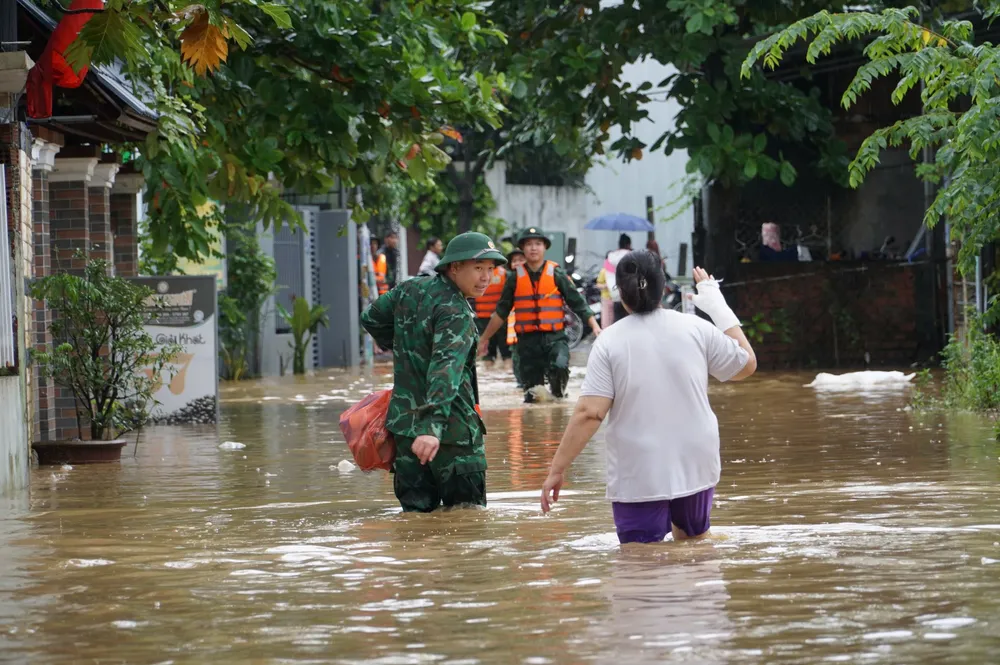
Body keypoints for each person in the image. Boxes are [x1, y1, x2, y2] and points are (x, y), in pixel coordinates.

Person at [539, 251, 757, 544]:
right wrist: (718, 307)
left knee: (639, 557)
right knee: (695, 545)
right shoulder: (696, 328)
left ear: (620, 292)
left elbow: (590, 413)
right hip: (695, 459)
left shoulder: (609, 341)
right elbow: (747, 365)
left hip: (639, 469)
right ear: (663, 287)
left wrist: (557, 469)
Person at [360, 232, 507, 512]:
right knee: (467, 523)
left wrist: (404, 347)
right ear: (454, 267)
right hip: (451, 436)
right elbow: (445, 370)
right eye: (478, 268)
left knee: (415, 524)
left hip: (405, 432)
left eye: (490, 269)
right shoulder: (456, 312)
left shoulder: (409, 289)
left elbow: (371, 318)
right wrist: (432, 428)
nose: (486, 277)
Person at [478, 228, 601, 403]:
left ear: (545, 247)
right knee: (533, 396)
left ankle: (559, 401)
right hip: (527, 343)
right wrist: (484, 338)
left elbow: (578, 303)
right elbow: (501, 312)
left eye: (538, 244)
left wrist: (595, 326)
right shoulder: (514, 278)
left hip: (555, 338)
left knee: (559, 367)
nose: (533, 248)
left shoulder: (557, 274)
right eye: (529, 244)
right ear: (523, 248)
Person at [473, 245, 513, 368]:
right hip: (487, 317)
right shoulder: (505, 274)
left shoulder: (504, 274)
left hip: (496, 317)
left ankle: (501, 371)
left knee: (497, 352)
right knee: (495, 352)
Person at [505, 248, 526, 387]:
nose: (517, 263)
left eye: (521, 260)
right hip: (514, 330)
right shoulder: (509, 281)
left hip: (531, 329)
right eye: (514, 261)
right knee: (517, 358)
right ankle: (521, 383)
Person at [604, 233, 632, 322]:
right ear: (628, 244)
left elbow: (607, 274)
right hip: (628, 296)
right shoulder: (631, 255)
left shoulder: (610, 256)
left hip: (614, 294)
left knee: (618, 320)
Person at [374, 231, 400, 295]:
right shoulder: (380, 253)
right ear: (386, 239)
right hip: (381, 288)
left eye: (396, 238)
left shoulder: (395, 253)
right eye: (392, 238)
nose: (394, 241)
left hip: (391, 286)